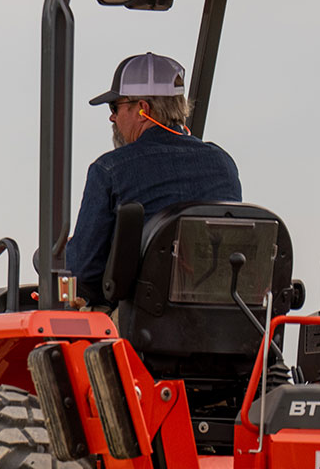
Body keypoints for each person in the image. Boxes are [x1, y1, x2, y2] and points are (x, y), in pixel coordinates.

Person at [64, 52, 243, 301]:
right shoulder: (224, 164)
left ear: (143, 109)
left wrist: (63, 254)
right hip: (218, 317)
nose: (112, 117)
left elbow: (84, 271)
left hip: (141, 318)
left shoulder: (109, 170)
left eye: (115, 107)